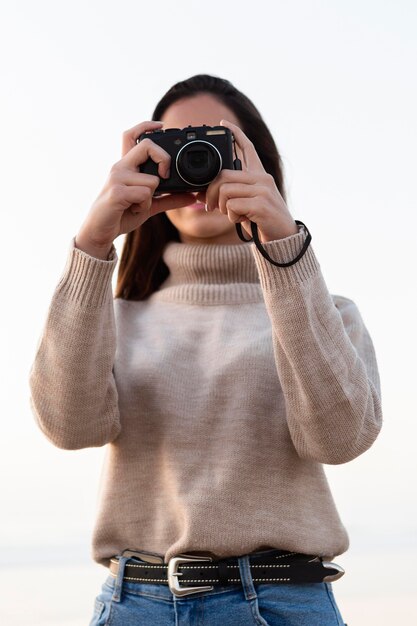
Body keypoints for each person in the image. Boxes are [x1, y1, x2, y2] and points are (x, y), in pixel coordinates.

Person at [28, 74, 382, 626]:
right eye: (174, 148)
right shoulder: (115, 318)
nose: (195, 160)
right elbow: (69, 428)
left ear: (258, 163)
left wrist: (283, 242)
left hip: (282, 604)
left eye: (218, 145)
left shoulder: (326, 313)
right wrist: (94, 245)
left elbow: (340, 439)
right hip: (134, 604)